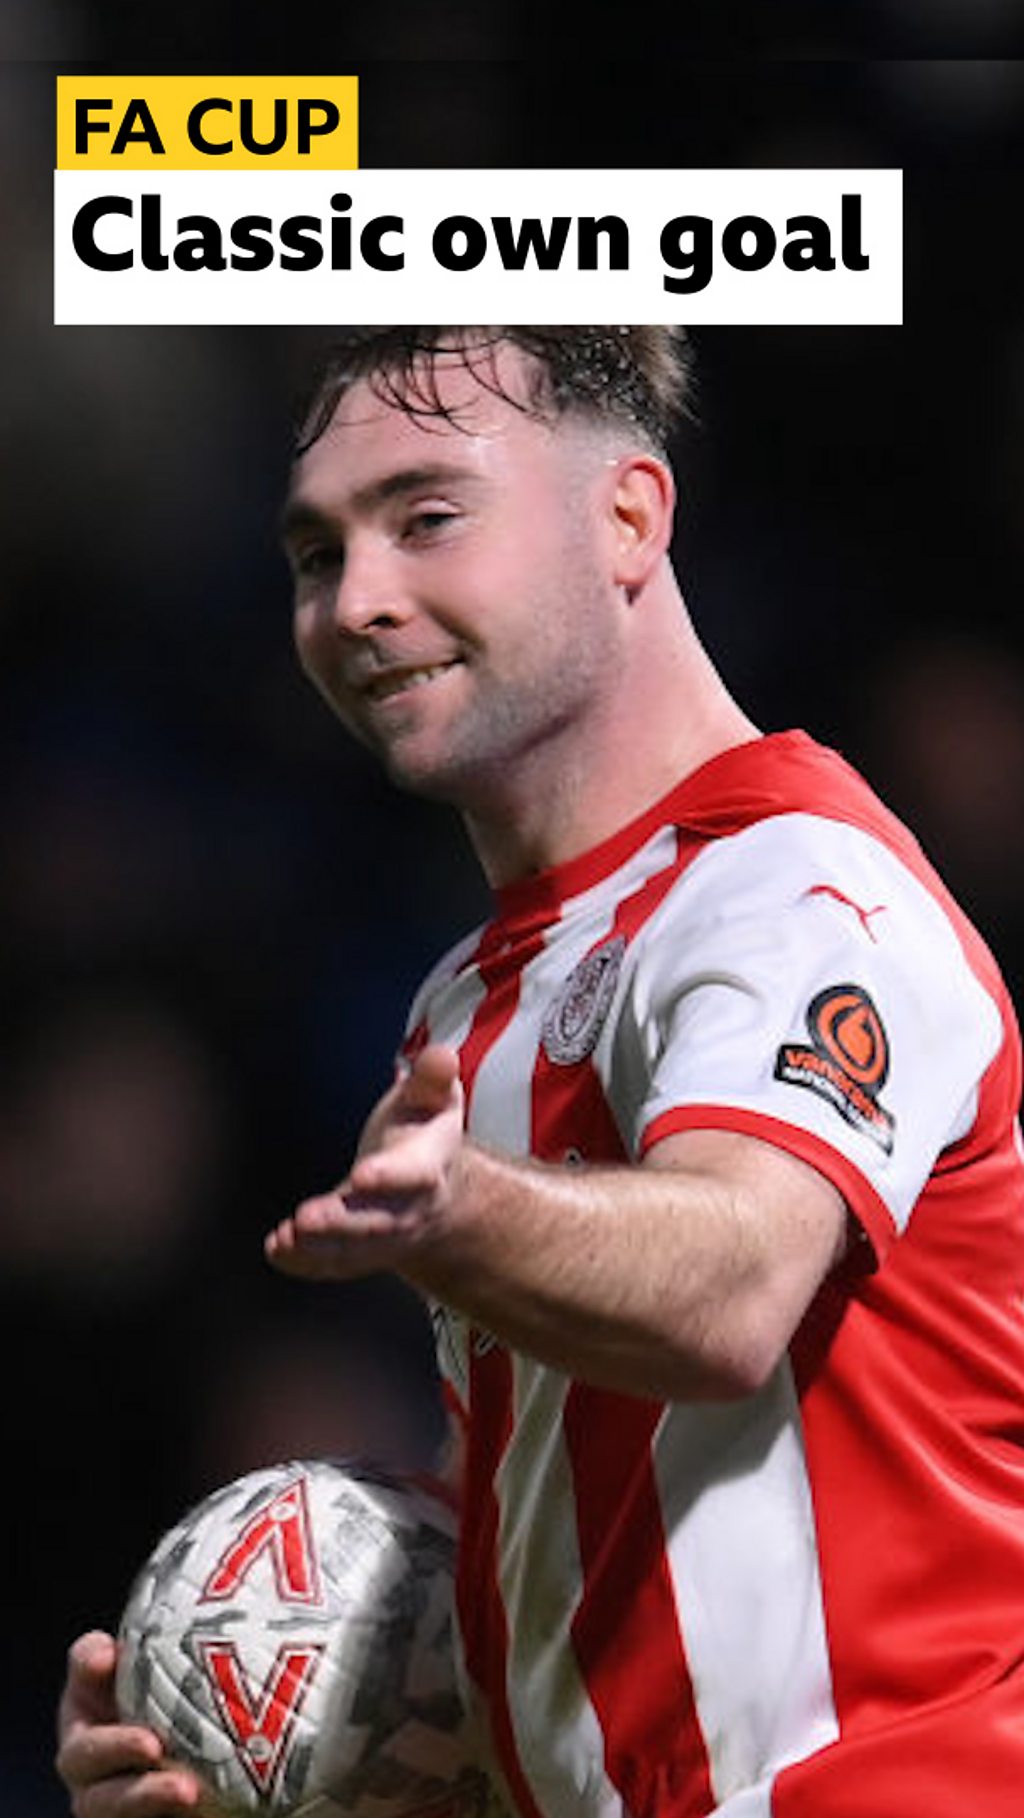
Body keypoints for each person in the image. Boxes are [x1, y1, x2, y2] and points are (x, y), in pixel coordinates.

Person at [57, 327, 1024, 1818]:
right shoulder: (471, 996)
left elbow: (737, 1284)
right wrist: (252, 1728)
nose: (358, 600)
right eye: (318, 552)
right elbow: (601, 1583)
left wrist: (472, 1213)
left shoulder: (795, 888)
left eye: (427, 516)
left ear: (629, 516)